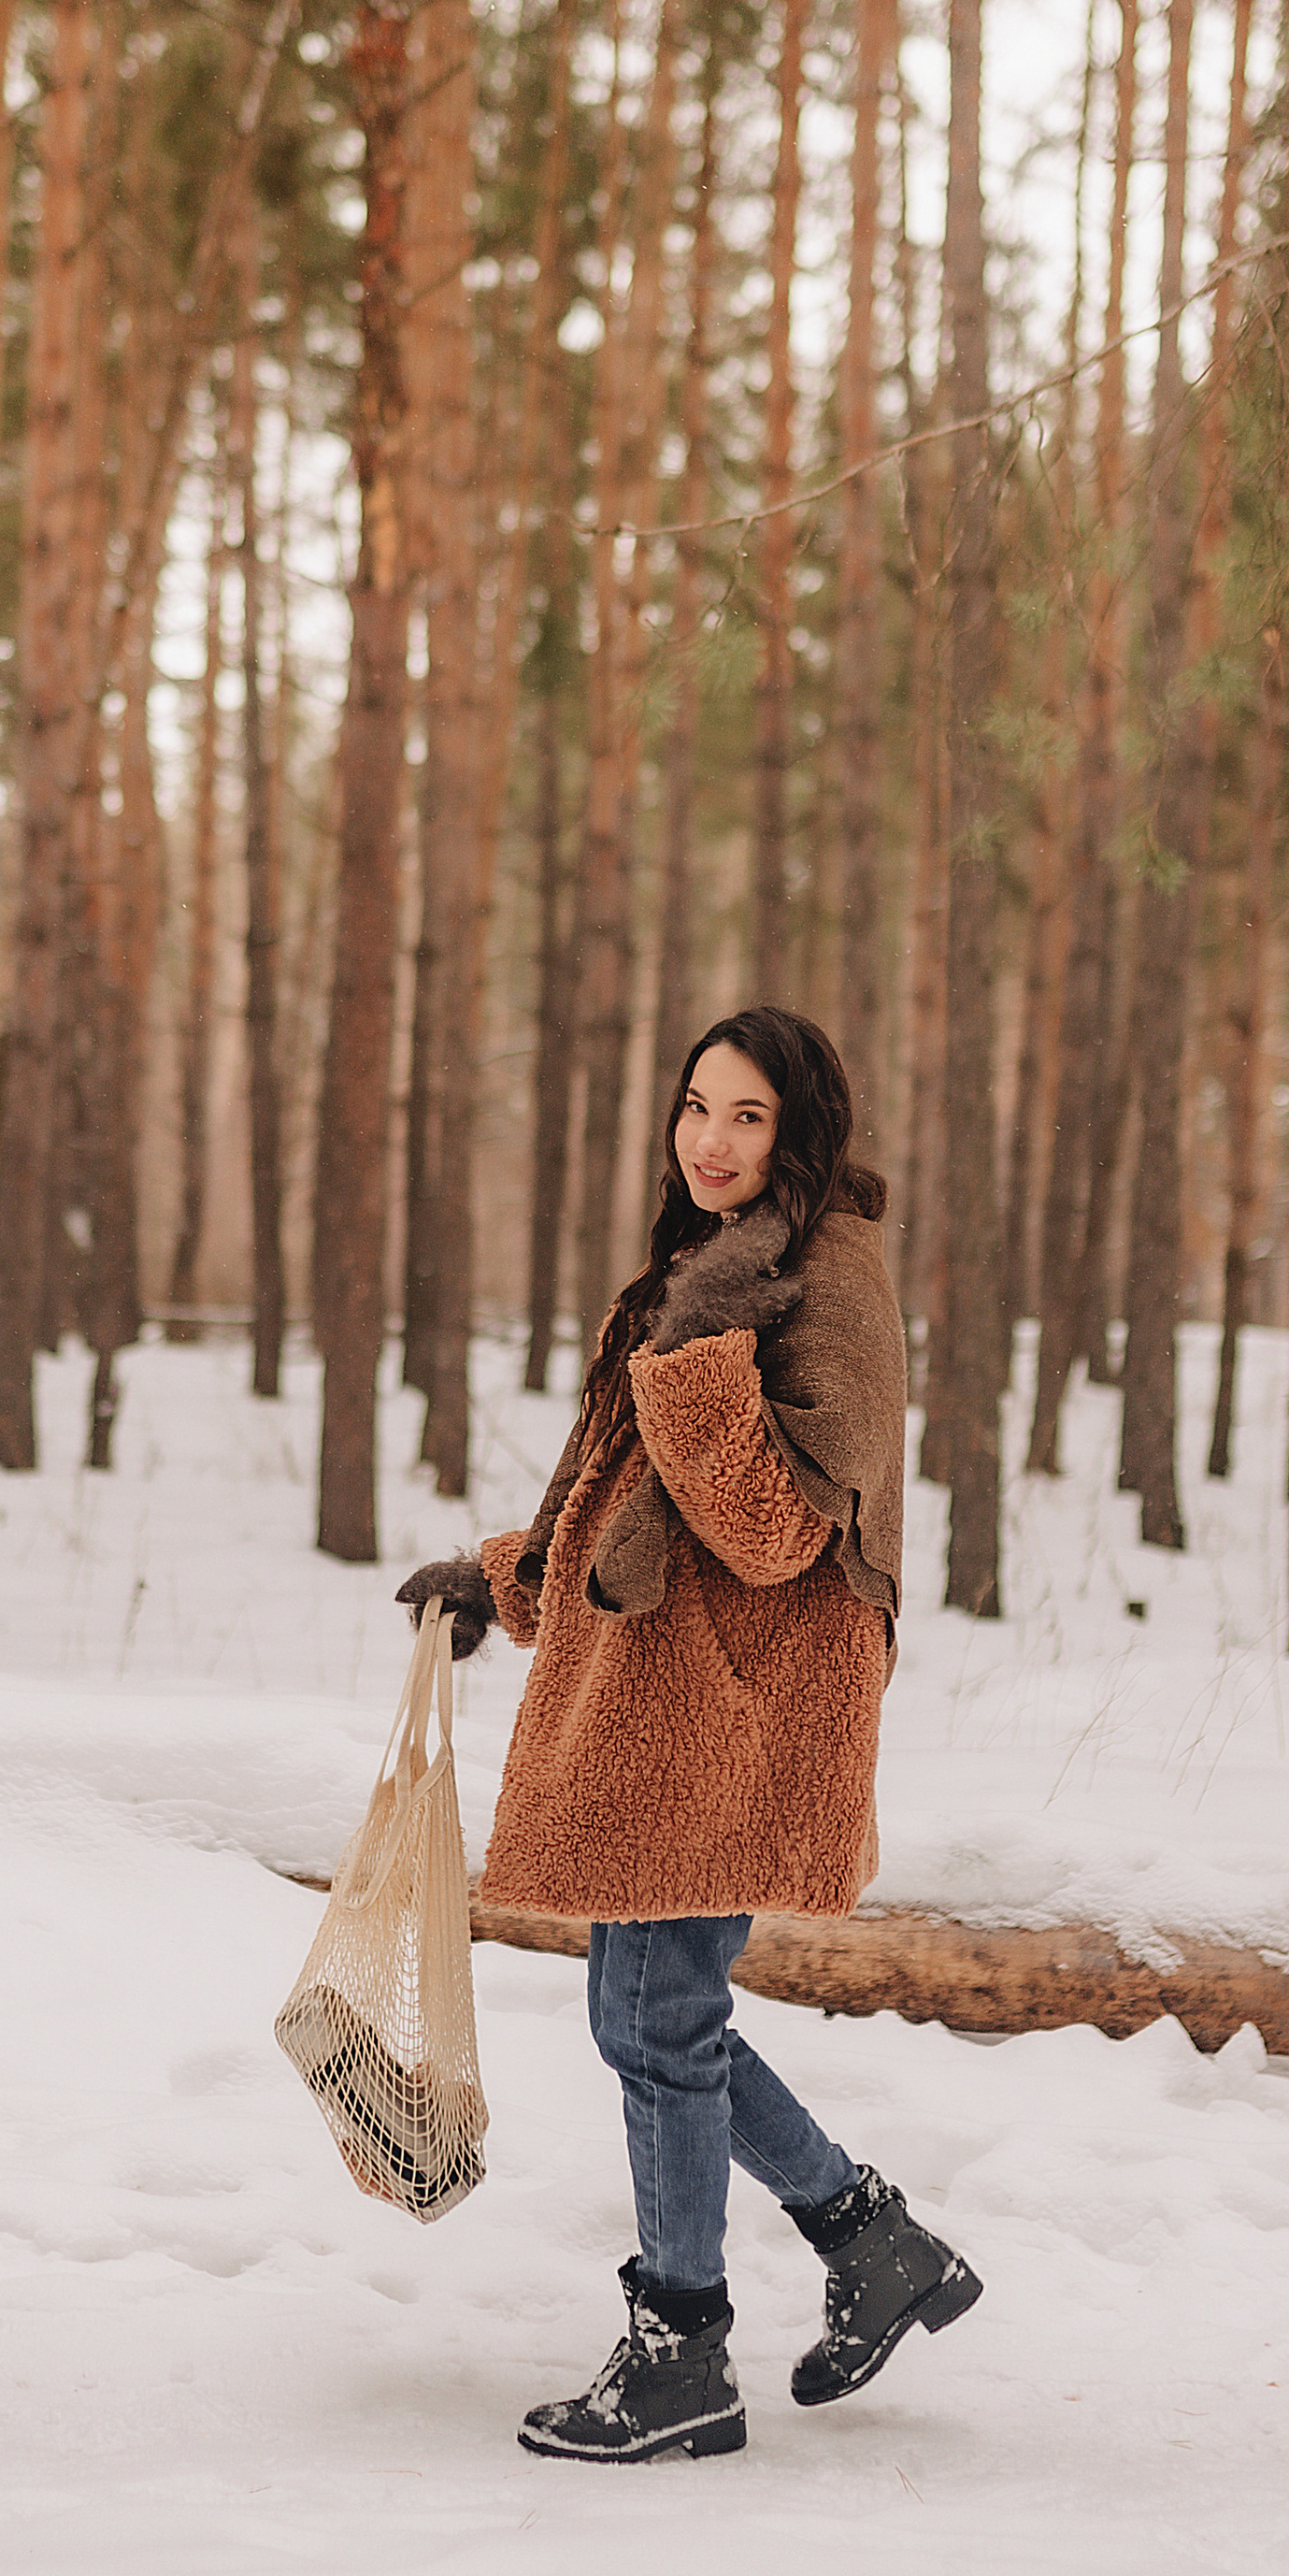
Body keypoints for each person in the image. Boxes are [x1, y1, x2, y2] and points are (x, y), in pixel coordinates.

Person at [397, 1006, 980, 2466]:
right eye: (696, 1108)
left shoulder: (825, 1283)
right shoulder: (706, 1271)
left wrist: (707, 1349)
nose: (710, 1142)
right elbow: (623, 1493)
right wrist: (506, 1575)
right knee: (654, 2017)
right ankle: (869, 2240)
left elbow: (780, 1532)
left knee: (652, 2020)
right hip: (669, 1695)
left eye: (748, 1118)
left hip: (738, 1708)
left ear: (804, 1133)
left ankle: (683, 2348)